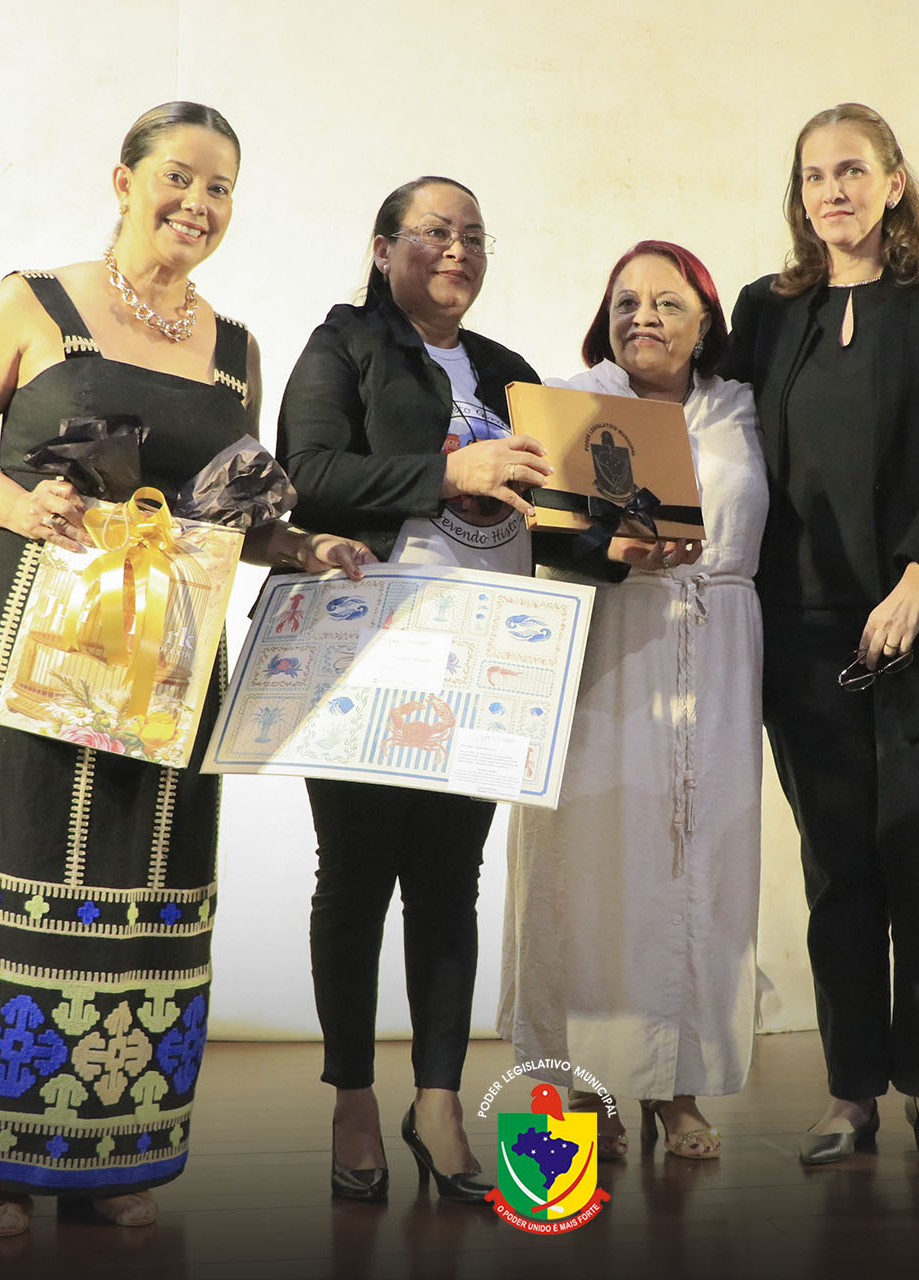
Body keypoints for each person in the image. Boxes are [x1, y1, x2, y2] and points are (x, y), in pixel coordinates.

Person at [0, 103, 370, 1238]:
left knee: (145, 876)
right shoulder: (34, 300)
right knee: (17, 853)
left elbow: (228, 512)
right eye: (180, 176)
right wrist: (18, 505)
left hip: (171, 654)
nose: (199, 203)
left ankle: (109, 1151)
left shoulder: (236, 349)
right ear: (124, 179)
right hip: (31, 628)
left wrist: (305, 548)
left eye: (221, 187)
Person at [278, 177, 665, 1204]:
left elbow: (556, 516)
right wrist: (445, 473)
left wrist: (616, 548)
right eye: (435, 232)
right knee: (355, 877)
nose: (458, 250)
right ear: (382, 248)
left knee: (451, 880)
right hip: (369, 652)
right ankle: (353, 1097)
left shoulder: (509, 371)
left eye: (475, 237)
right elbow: (306, 474)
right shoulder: (345, 346)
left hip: (488, 663)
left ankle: (439, 1099)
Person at [722, 104, 919, 1173]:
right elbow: (723, 441)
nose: (832, 190)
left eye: (852, 170)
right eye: (814, 175)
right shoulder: (765, 309)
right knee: (838, 866)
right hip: (807, 634)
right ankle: (851, 1092)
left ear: (895, 182)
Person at [500, 241, 764, 1161]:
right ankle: (588, 1087)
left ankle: (677, 1088)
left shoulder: (742, 408)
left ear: (706, 320)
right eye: (625, 301)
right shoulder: (572, 402)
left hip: (719, 651)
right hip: (609, 643)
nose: (642, 316)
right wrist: (610, 551)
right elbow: (533, 531)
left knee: (700, 864)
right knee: (594, 861)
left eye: (666, 301)